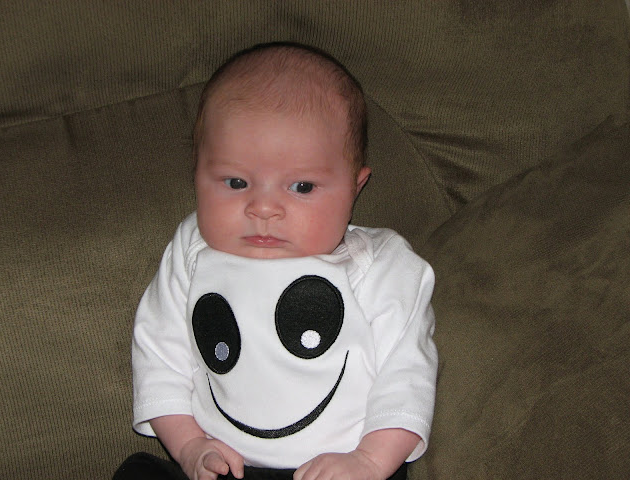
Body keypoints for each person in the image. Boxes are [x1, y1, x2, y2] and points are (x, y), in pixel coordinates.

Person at [116, 42, 437, 480]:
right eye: (235, 182)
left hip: (342, 467)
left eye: (302, 187)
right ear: (197, 174)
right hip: (223, 465)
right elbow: (158, 355)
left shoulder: (382, 266)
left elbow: (406, 374)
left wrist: (370, 461)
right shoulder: (192, 250)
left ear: (354, 188)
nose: (263, 208)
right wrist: (189, 446)